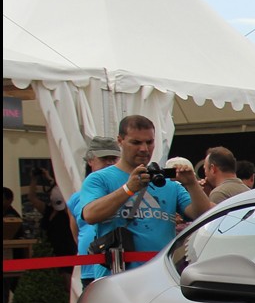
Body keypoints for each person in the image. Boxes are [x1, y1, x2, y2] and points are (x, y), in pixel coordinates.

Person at [77, 114, 213, 282]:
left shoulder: (166, 182)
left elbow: (204, 215)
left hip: (161, 277)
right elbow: (90, 214)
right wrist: (128, 189)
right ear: (120, 141)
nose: (144, 149)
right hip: (116, 279)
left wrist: (192, 184)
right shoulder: (100, 179)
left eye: (149, 142)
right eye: (136, 142)